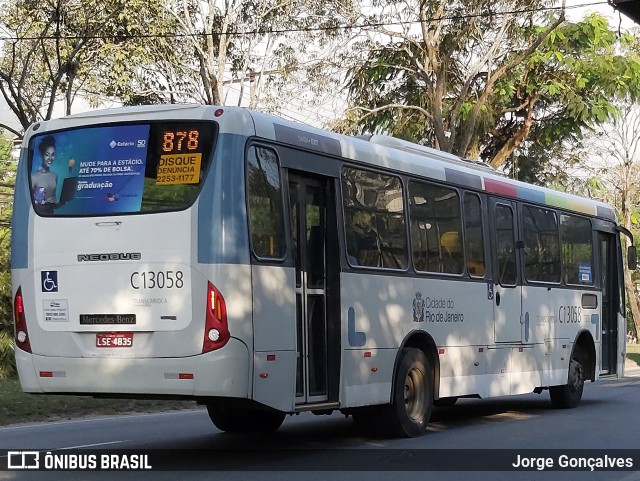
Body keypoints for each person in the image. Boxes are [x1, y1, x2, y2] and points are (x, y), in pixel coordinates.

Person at [31, 135, 58, 214]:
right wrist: (44, 203)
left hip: (51, 217)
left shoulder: (54, 176)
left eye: (52, 155)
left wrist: (57, 202)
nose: (50, 158)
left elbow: (53, 199)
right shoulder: (33, 177)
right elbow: (29, 203)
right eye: (47, 154)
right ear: (42, 155)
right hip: (39, 218)